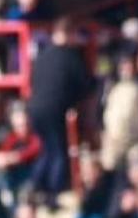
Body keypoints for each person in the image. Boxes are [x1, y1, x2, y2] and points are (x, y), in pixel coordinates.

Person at [28, 20, 94, 199]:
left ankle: (33, 186)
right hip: (55, 109)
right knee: (58, 152)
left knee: (47, 150)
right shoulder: (70, 57)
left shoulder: (42, 56)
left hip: (34, 108)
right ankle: (52, 194)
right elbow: (85, 85)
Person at [100, 54, 138, 172]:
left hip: (135, 138)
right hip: (113, 137)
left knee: (137, 169)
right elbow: (101, 110)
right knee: (110, 166)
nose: (128, 71)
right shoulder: (111, 88)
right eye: (125, 68)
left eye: (130, 67)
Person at [0, 102, 41, 197]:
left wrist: (12, 158)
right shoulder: (10, 137)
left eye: (25, 124)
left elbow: (34, 149)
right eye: (19, 126)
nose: (23, 129)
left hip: (31, 177)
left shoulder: (36, 136)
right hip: (13, 177)